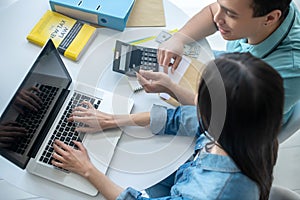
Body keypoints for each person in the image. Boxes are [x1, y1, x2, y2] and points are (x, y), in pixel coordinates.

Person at [52, 53, 284, 200]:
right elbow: (184, 119)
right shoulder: (254, 128)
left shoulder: (207, 192)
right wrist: (112, 120)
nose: (195, 101)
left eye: (199, 97)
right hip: (186, 177)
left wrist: (87, 170)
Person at [152, 0, 300, 124]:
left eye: (230, 14)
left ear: (270, 18)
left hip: (242, 122)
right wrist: (179, 38)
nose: (217, 18)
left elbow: (226, 114)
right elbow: (212, 12)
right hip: (228, 74)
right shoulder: (266, 8)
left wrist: (171, 88)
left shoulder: (287, 70)